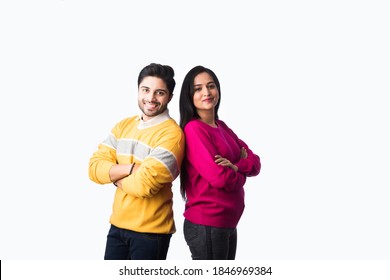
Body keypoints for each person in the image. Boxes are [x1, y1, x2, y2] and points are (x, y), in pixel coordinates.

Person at [88, 63, 185, 260]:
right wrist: (131, 169)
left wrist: (113, 176)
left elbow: (144, 186)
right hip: (117, 227)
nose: (151, 98)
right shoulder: (123, 126)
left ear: (169, 97)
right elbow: (94, 168)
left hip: (151, 234)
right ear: (138, 90)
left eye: (159, 93)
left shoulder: (172, 135)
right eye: (146, 90)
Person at [179, 65, 261, 260]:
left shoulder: (221, 126)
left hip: (227, 223)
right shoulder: (194, 130)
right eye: (198, 89)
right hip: (208, 224)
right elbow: (218, 177)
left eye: (211, 86)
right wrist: (241, 174)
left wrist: (235, 166)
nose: (206, 92)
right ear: (189, 95)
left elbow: (255, 163)